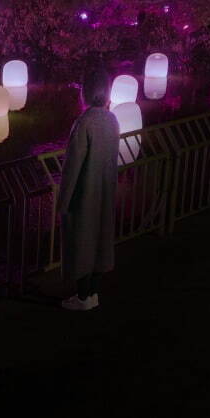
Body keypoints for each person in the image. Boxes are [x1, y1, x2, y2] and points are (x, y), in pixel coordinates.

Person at [56, 68, 120, 311]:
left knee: (82, 243)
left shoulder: (83, 123)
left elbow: (73, 166)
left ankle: (82, 298)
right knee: (100, 242)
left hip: (85, 194)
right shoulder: (111, 119)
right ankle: (93, 293)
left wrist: (63, 203)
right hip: (104, 190)